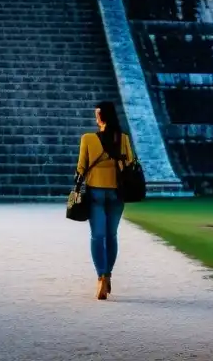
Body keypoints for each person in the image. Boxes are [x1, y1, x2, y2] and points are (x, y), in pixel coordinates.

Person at [75, 100, 133, 300]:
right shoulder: (123, 138)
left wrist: (76, 185)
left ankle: (101, 277)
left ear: (100, 116)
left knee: (97, 236)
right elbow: (130, 163)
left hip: (96, 192)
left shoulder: (88, 139)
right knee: (112, 235)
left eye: (97, 114)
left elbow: (81, 167)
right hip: (117, 192)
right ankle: (108, 274)